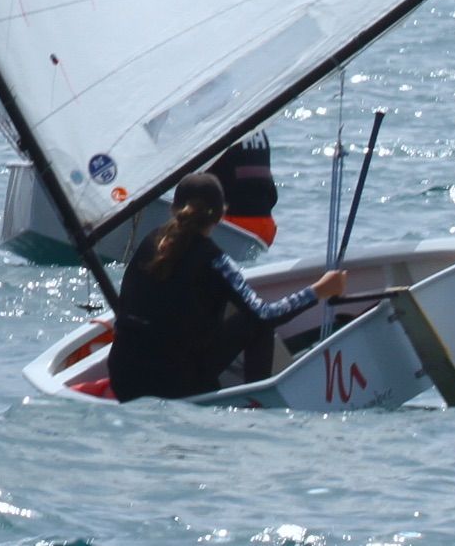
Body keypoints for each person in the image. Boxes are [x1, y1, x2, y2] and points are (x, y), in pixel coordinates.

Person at [109, 172, 345, 401]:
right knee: (255, 324)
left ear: (174, 208)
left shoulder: (149, 243)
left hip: (123, 380)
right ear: (221, 214)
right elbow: (264, 314)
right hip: (174, 387)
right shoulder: (215, 260)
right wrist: (319, 290)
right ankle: (257, 404)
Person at [207, 133, 279, 245]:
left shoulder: (218, 130)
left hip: (230, 227)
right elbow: (273, 196)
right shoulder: (259, 132)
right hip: (266, 228)